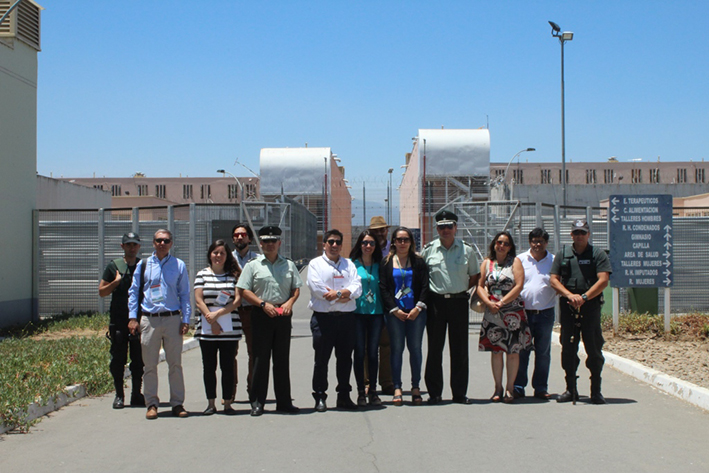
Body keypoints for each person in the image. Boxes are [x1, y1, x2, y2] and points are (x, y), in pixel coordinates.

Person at [237, 226, 302, 416]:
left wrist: (289, 303)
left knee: (282, 360)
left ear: (279, 243)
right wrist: (263, 304)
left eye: (273, 241)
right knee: (260, 359)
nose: (270, 244)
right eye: (266, 241)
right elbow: (244, 289)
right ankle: (257, 402)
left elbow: (296, 288)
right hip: (261, 314)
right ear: (261, 244)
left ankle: (284, 402)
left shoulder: (288, 265)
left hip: (282, 315)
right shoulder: (253, 265)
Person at [128, 229, 192, 420]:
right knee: (149, 365)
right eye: (159, 240)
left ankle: (177, 403)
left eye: (166, 240)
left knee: (175, 364)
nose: (162, 244)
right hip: (150, 320)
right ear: (153, 243)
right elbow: (134, 292)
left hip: (172, 319)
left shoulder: (178, 265)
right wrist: (132, 318)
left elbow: (184, 294)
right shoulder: (143, 265)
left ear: (171, 243)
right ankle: (151, 404)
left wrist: (186, 319)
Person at [421, 210, 480, 405]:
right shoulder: (428, 250)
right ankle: (434, 393)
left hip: (458, 302)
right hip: (436, 303)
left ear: (456, 228)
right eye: (441, 227)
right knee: (434, 349)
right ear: (436, 229)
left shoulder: (467, 250)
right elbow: (423, 278)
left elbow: (474, 276)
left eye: (449, 226)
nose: (445, 230)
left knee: (460, 349)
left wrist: (459, 290)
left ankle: (459, 393)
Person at [550, 219, 611, 404]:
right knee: (568, 347)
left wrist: (584, 297)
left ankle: (596, 391)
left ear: (588, 234)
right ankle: (571, 389)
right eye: (576, 233)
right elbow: (554, 280)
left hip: (590, 307)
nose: (579, 236)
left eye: (583, 233)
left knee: (593, 347)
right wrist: (570, 296)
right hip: (569, 306)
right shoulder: (563, 254)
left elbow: (603, 280)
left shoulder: (598, 254)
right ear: (571, 235)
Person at [307, 229, 363, 412]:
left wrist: (338, 294)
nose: (334, 245)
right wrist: (344, 296)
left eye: (338, 242)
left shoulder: (349, 264)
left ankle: (344, 396)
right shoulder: (315, 264)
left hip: (346, 319)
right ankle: (320, 396)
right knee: (321, 360)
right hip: (324, 319)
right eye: (330, 241)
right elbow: (317, 289)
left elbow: (357, 287)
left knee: (345, 359)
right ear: (324, 244)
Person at [477, 231, 532, 403]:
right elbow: (479, 286)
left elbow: (519, 285)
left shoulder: (515, 262)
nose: (501, 246)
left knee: (513, 351)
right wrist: (489, 302)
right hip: (492, 312)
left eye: (506, 243)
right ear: (494, 244)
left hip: (512, 312)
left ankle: (510, 388)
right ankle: (498, 388)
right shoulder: (487, 263)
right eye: (499, 242)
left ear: (510, 247)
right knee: (496, 350)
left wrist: (502, 302)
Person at [379, 227, 430, 406]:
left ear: (411, 242)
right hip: (395, 314)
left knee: (415, 349)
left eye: (406, 239)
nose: (402, 243)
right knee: (396, 349)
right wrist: (393, 309)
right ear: (393, 242)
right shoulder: (386, 262)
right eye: (399, 239)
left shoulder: (419, 261)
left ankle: (415, 387)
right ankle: (397, 387)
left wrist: (418, 307)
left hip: (416, 313)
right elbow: (383, 288)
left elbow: (425, 286)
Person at [194, 239, 242, 415]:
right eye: (215, 252)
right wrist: (212, 320)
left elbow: (237, 301)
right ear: (210, 255)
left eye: (222, 253)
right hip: (207, 329)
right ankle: (211, 403)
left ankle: (227, 402)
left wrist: (218, 314)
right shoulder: (202, 275)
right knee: (209, 367)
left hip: (230, 329)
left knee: (227, 366)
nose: (218, 256)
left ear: (227, 256)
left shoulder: (233, 275)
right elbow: (199, 300)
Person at [99, 232, 145, 409]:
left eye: (134, 245)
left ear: (139, 246)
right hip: (119, 320)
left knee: (138, 359)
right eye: (128, 245)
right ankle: (119, 395)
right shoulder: (114, 266)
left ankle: (136, 394)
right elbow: (102, 291)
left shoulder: (143, 266)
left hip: (138, 320)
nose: (131, 248)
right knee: (118, 359)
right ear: (122, 246)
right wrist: (115, 283)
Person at [513, 227, 557, 401]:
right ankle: (518, 386)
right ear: (529, 242)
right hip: (523, 313)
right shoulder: (520, 260)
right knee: (522, 351)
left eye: (541, 241)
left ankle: (540, 387)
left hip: (545, 313)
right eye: (534, 241)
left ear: (546, 243)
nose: (537, 244)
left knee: (543, 352)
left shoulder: (553, 260)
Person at [349, 230, 385, 407]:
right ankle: (360, 392)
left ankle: (373, 391)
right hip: (357, 314)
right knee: (359, 352)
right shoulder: (352, 265)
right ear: (359, 245)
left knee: (372, 353)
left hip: (376, 314)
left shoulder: (380, 265)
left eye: (371, 243)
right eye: (364, 243)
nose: (368, 246)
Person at [229, 223, 259, 403]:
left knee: (254, 353)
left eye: (243, 234)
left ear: (249, 238)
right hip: (231, 311)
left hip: (252, 311)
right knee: (230, 353)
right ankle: (230, 392)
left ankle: (253, 389)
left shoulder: (258, 259)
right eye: (236, 235)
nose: (240, 237)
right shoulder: (226, 258)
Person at [368, 216, 394, 396]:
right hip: (368, 303)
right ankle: (367, 382)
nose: (379, 233)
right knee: (367, 345)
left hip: (388, 302)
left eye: (382, 230)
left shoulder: (394, 249)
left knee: (387, 345)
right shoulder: (365, 248)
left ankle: (387, 382)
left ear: (387, 230)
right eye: (375, 231)